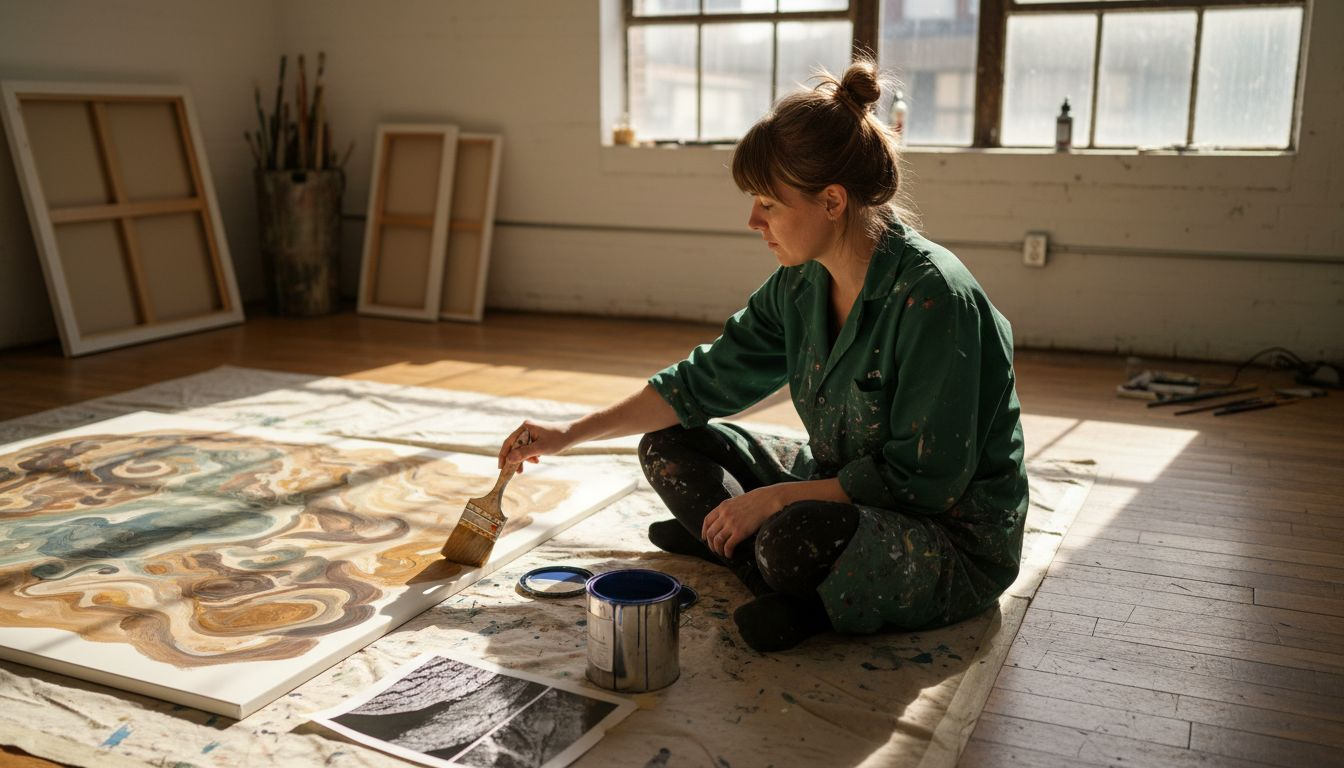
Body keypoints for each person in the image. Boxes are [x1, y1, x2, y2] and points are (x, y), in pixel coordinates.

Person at [497, 58, 1028, 652]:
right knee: (671, 445)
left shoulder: (935, 299)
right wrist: (568, 433)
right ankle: (772, 578)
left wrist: (772, 500)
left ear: (831, 201)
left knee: (788, 535)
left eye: (768, 204)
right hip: (839, 482)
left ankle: (762, 564)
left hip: (944, 536)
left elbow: (923, 484)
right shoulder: (802, 282)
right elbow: (700, 383)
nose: (752, 221)